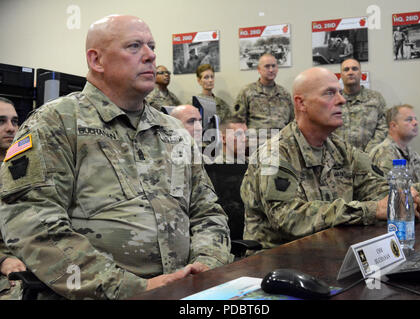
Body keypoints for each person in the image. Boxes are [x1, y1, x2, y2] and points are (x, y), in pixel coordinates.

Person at [0, 14, 233, 300]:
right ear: (96, 60)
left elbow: (207, 211)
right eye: (135, 46)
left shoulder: (172, 130)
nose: (150, 56)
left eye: (151, 46)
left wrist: (206, 268)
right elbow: (33, 227)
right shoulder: (55, 124)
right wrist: (133, 289)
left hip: (186, 290)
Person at [240, 67, 420, 252]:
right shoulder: (275, 154)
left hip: (332, 251)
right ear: (301, 103)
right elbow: (289, 219)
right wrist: (372, 209)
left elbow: (374, 186)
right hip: (278, 261)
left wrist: (400, 197)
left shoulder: (340, 148)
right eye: (329, 93)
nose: (342, 100)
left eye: (340, 92)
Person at [369, 104, 420, 194]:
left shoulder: (413, 155)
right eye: (409, 120)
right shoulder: (383, 153)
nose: (415, 123)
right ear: (393, 125)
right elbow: (392, 191)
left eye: (415, 119)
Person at [234, 53, 294, 144]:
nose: (271, 70)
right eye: (267, 66)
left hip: (281, 144)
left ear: (277, 68)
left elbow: (292, 122)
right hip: (255, 144)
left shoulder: (285, 94)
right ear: (259, 69)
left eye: (274, 66)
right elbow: (238, 122)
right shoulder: (247, 92)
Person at [0, 97, 26, 300]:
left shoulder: (25, 166)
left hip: (32, 256)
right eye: (1, 121)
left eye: (14, 121)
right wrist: (2, 261)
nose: (11, 128)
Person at [333, 58, 388, 152]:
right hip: (338, 158)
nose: (350, 72)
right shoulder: (333, 100)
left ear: (361, 74)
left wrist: (369, 150)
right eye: (346, 69)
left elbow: (384, 127)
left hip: (370, 156)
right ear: (340, 75)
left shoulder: (375, 98)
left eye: (354, 69)